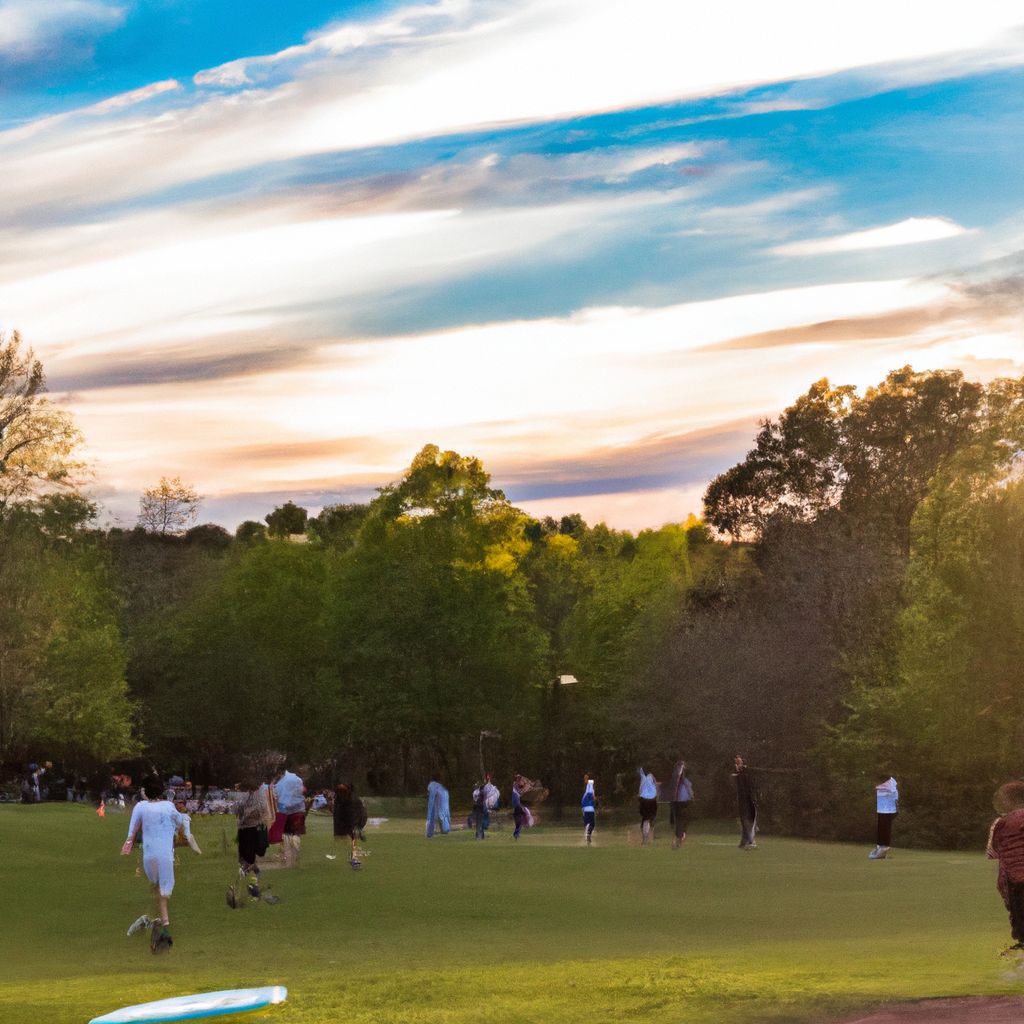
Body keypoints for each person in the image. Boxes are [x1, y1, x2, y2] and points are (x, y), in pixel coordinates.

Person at [122, 777, 201, 953]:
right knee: (162, 893)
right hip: (165, 855)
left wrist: (127, 845)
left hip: (149, 856)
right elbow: (181, 822)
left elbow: (132, 830)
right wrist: (189, 838)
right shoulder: (167, 806)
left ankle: (155, 923)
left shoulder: (141, 807)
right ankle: (161, 928)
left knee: (157, 889)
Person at [987, 781, 1024, 954]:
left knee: (1018, 912)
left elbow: (993, 851)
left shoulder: (1001, 823)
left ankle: (1022, 944)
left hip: (1015, 877)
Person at [234, 774, 275, 900]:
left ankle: (253, 886)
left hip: (249, 830)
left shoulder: (249, 797)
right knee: (249, 858)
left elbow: (239, 811)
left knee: (247, 859)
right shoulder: (258, 796)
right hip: (253, 829)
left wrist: (246, 814)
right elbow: (264, 812)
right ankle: (254, 878)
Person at [272, 764, 306, 867]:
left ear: (280, 772)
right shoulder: (298, 779)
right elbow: (302, 791)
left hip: (286, 811)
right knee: (296, 833)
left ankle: (287, 856)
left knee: (286, 833)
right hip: (299, 810)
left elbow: (276, 796)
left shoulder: (280, 783)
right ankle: (295, 855)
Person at [333, 783, 366, 868]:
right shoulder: (339, 800)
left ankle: (354, 859)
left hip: (350, 825)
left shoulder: (353, 801)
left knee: (351, 842)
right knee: (349, 842)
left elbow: (360, 814)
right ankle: (353, 858)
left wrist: (358, 826)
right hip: (345, 825)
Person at [869, 775, 899, 859]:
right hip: (881, 809)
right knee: (880, 828)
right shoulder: (882, 783)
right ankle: (879, 848)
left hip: (888, 809)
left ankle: (884, 849)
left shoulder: (891, 782)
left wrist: (896, 806)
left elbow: (894, 793)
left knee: (885, 828)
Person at [733, 755, 757, 849]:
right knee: (745, 821)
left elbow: (746, 786)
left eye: (738, 762)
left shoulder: (745, 774)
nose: (736, 764)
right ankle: (746, 841)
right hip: (745, 800)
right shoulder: (741, 774)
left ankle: (749, 841)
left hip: (747, 800)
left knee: (746, 821)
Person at [669, 760, 694, 849]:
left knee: (680, 820)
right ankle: (680, 837)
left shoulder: (675, 779)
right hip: (682, 801)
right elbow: (689, 790)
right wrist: (692, 796)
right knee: (682, 820)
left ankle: (680, 836)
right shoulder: (684, 780)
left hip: (677, 801)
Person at [472, 774, 500, 839]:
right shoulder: (479, 793)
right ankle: (480, 836)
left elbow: (488, 789)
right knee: (481, 823)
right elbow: (488, 790)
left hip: (479, 808)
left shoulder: (477, 793)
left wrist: (488, 780)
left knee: (480, 823)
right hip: (481, 808)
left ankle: (480, 836)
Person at [637, 767, 659, 845]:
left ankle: (645, 837)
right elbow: (656, 785)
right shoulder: (651, 776)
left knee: (646, 819)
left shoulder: (642, 776)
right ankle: (645, 837)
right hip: (651, 799)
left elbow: (640, 789)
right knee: (648, 819)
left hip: (644, 799)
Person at [581, 774, 596, 846]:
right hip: (589, 809)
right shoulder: (589, 790)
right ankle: (588, 835)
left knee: (588, 824)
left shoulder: (586, 794)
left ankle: (587, 835)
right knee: (591, 824)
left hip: (587, 809)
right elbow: (588, 785)